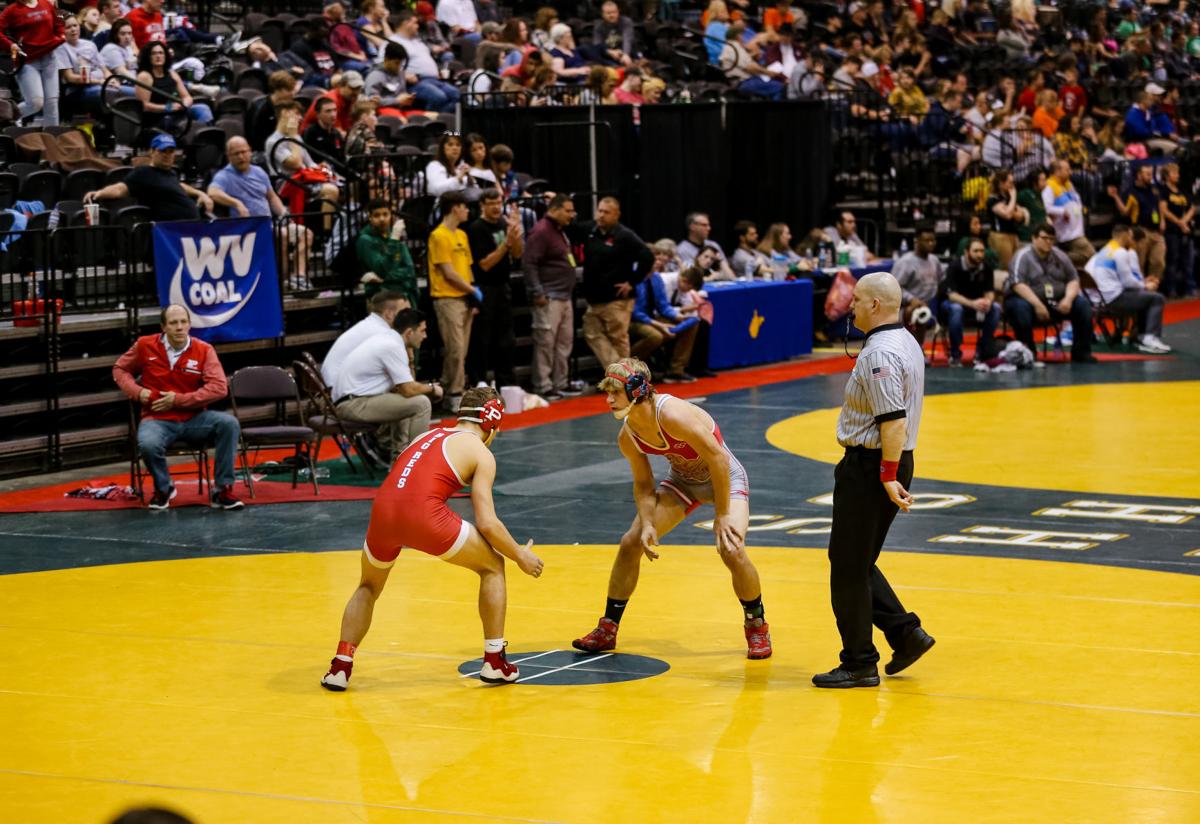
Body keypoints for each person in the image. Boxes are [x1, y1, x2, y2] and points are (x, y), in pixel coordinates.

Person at [321, 386, 544, 690]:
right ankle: (494, 662)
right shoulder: (481, 452)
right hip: (424, 516)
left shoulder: (424, 435)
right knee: (493, 565)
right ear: (492, 424)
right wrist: (520, 555)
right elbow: (488, 523)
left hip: (382, 512)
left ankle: (340, 665)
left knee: (369, 585)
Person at [572, 358, 772, 660]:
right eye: (607, 392)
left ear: (636, 391)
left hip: (724, 478)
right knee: (630, 542)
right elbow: (643, 482)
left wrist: (721, 514)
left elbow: (718, 459)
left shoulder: (673, 414)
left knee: (731, 548)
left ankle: (756, 624)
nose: (608, 400)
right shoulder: (628, 435)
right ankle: (608, 628)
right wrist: (648, 522)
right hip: (683, 481)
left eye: (615, 392)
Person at [813, 272, 932, 688]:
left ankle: (859, 662)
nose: (851, 306)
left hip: (873, 465)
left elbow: (892, 422)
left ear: (876, 306)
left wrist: (885, 476)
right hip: (893, 461)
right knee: (856, 561)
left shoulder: (878, 355)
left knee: (847, 567)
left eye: (858, 300)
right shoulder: (907, 341)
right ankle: (905, 633)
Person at [112, 304, 243, 511]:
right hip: (157, 419)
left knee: (229, 423)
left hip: (195, 420)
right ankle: (164, 488)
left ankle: (222, 489)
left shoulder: (203, 349)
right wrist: (137, 392)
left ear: (190, 324)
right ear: (164, 327)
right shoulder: (145, 345)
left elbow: (219, 388)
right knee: (147, 443)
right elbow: (119, 370)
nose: (179, 327)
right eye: (173, 323)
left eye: (183, 322)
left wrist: (178, 400)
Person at [333, 307, 442, 459]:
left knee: (405, 401)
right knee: (421, 403)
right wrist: (432, 389)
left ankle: (399, 459)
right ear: (410, 332)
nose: (425, 336)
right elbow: (408, 389)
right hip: (352, 404)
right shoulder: (393, 346)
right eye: (422, 331)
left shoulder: (388, 339)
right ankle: (417, 461)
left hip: (350, 400)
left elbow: (403, 390)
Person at [208, 137, 313, 288]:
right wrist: (236, 203)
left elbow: (271, 196)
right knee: (282, 235)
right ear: (229, 156)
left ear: (250, 151)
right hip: (249, 230)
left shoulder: (259, 172)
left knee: (305, 233)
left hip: (270, 224)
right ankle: (282, 281)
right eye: (236, 153)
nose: (241, 156)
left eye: (244, 152)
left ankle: (298, 276)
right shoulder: (224, 175)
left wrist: (284, 214)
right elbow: (213, 192)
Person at [578, 197, 655, 370]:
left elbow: (647, 257)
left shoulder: (624, 235)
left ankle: (622, 379)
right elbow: (571, 227)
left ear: (616, 215)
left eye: (606, 212)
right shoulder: (590, 230)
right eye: (600, 210)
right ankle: (623, 375)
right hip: (594, 297)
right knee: (591, 331)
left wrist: (632, 282)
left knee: (618, 339)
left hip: (617, 299)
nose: (601, 215)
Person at [1005, 224, 1096, 364]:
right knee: (1020, 307)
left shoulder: (1060, 255)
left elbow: (1073, 279)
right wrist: (1037, 305)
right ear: (1034, 238)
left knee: (1082, 305)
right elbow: (1017, 284)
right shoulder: (1022, 256)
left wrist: (1068, 299)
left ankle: (1081, 352)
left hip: (1055, 301)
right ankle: (1028, 353)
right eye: (1044, 238)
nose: (1048, 242)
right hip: (1026, 301)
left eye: (1051, 239)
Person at [523, 193, 581, 401]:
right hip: (549, 296)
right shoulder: (541, 232)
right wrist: (537, 291)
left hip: (563, 295)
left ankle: (560, 382)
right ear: (554, 209)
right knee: (546, 342)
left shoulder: (558, 231)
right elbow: (529, 263)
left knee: (564, 342)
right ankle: (543, 384)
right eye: (568, 210)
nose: (572, 215)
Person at [1084, 225, 1171, 354]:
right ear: (1124, 235)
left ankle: (1142, 337)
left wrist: (1142, 284)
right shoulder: (1120, 252)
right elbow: (1128, 282)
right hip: (1113, 300)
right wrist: (1145, 285)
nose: (1132, 238)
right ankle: (1150, 338)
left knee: (1143, 296)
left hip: (1098, 299)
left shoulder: (1106, 250)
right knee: (1157, 298)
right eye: (1130, 235)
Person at [466, 189, 521, 389]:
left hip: (503, 286)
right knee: (482, 339)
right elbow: (485, 264)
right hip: (484, 288)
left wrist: (516, 232)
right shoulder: (476, 228)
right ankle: (478, 381)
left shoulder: (503, 224)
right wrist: (506, 244)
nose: (496, 207)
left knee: (506, 339)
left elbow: (517, 253)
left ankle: (506, 381)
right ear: (482, 205)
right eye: (491, 203)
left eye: (499, 202)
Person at [85, 134, 212, 220]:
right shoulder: (143, 173)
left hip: (187, 233)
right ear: (151, 152)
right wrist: (99, 193)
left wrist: (200, 194)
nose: (167, 155)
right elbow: (120, 189)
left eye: (171, 151)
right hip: (168, 234)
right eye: (162, 151)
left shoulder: (171, 173)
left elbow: (179, 186)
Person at [429, 191, 478, 412]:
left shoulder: (462, 235)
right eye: (465, 207)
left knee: (463, 350)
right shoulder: (438, 236)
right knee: (455, 348)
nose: (468, 211)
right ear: (455, 208)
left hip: (465, 298)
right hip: (447, 298)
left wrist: (473, 295)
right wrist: (472, 290)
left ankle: (445, 388)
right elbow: (448, 273)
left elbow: (467, 268)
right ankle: (456, 393)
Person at [320, 290, 410, 388]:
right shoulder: (382, 333)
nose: (410, 316)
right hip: (340, 389)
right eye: (405, 312)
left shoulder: (372, 324)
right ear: (389, 314)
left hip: (336, 384)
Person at [0, 0, 64, 126]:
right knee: (35, 103)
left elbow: (58, 22)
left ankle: (52, 140)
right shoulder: (11, 10)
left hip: (49, 58)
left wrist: (61, 35)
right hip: (27, 61)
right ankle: (4, 116)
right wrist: (10, 45)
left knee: (51, 103)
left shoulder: (46, 4)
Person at [630, 265, 698, 383]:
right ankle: (627, 366)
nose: (659, 262)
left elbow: (663, 305)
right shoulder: (633, 277)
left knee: (691, 324)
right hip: (633, 319)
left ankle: (676, 371)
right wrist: (658, 324)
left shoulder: (656, 278)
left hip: (653, 317)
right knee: (655, 336)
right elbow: (634, 311)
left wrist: (676, 316)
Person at [940, 237, 1001, 365]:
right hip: (952, 305)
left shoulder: (986, 267)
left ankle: (982, 350)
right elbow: (952, 296)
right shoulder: (954, 266)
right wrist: (973, 304)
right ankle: (955, 354)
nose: (980, 255)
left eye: (982, 251)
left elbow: (990, 292)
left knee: (995, 308)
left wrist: (987, 302)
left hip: (976, 305)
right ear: (966, 252)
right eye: (976, 251)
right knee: (957, 309)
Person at [135, 40, 214, 129]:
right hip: (157, 117)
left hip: (176, 111)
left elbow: (187, 97)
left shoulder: (171, 73)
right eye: (153, 54)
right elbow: (144, 106)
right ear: (148, 57)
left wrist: (185, 103)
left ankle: (208, 135)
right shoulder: (144, 76)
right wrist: (168, 108)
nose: (158, 56)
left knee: (202, 108)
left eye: (161, 53)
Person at [392, 10, 460, 112]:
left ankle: (441, 120)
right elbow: (385, 66)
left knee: (457, 95)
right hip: (415, 83)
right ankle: (431, 123)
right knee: (438, 97)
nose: (418, 26)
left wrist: (437, 71)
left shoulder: (418, 42)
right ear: (406, 24)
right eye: (415, 23)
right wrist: (404, 75)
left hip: (434, 79)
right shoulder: (393, 42)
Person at [1108, 164, 1164, 286]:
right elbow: (1124, 211)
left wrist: (1162, 220)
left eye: (1151, 174)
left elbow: (1159, 205)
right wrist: (1116, 196)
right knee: (1140, 263)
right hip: (1141, 231)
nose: (1150, 177)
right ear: (1139, 175)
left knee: (1158, 262)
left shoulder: (1154, 190)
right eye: (1147, 174)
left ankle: (1154, 287)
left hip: (1156, 231)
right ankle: (1141, 288)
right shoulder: (1131, 192)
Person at [356, 199, 419, 308]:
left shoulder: (394, 234)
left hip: (404, 295)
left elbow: (409, 270)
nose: (382, 219)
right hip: (380, 298)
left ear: (390, 215)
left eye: (385, 214)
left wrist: (384, 279)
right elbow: (381, 269)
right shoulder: (365, 240)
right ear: (369, 218)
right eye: (377, 215)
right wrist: (394, 240)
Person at [890, 226, 944, 347]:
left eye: (933, 240)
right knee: (917, 311)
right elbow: (894, 287)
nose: (931, 243)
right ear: (917, 241)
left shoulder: (934, 260)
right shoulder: (905, 262)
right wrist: (912, 299)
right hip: (905, 307)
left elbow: (942, 281)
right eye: (927, 240)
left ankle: (920, 349)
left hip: (930, 304)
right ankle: (911, 348)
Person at [1042, 160, 1094, 266]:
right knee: (1091, 254)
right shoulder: (1049, 187)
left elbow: (1077, 199)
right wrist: (1062, 211)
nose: (1070, 172)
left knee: (1083, 261)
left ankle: (1059, 258)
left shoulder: (1068, 184)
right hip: (1067, 233)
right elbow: (1046, 208)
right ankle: (1055, 258)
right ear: (1057, 171)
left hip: (1077, 230)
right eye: (1067, 170)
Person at [1159, 162, 1196, 298]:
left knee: (1188, 261)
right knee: (1172, 261)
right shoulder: (1163, 191)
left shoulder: (1182, 190)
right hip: (1172, 231)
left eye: (1178, 173)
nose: (1177, 175)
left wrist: (1184, 222)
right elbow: (1164, 209)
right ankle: (1171, 289)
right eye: (1174, 173)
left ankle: (1189, 288)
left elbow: (1192, 207)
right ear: (1167, 176)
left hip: (1186, 230)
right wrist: (1180, 223)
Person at [676, 212, 735, 280]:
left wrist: (721, 261)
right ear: (692, 226)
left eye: (708, 225)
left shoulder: (714, 245)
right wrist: (710, 278)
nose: (709, 228)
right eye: (704, 225)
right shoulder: (682, 249)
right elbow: (689, 278)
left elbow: (731, 277)